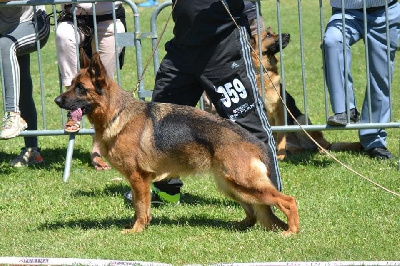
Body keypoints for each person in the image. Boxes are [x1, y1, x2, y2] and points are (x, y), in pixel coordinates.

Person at [125, 0, 283, 204]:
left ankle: (269, 195)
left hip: (223, 47)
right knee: (160, 122)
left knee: (247, 121)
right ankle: (166, 191)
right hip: (183, 48)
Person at [323, 0, 400, 159]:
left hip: (386, 10)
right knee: (332, 40)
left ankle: (374, 141)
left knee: (380, 77)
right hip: (346, 10)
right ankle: (345, 110)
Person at [55, 2, 126, 170]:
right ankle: (74, 104)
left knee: (103, 84)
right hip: (74, 19)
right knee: (63, 34)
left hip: (110, 18)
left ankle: (97, 150)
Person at [0, 5, 50, 166]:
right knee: (21, 85)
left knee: (6, 45)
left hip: (33, 23)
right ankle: (32, 151)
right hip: (6, 27)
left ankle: (13, 114)